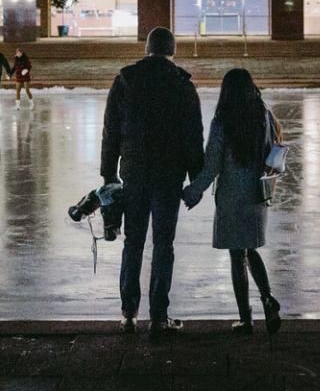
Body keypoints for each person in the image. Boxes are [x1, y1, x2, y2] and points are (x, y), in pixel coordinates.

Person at [101, 26, 203, 336]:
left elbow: (111, 132)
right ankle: (159, 316)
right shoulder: (182, 85)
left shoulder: (125, 80)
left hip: (133, 174)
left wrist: (109, 174)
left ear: (147, 50)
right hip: (168, 177)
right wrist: (196, 181)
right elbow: (193, 136)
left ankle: (129, 314)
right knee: (163, 244)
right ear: (173, 51)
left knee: (133, 243)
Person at [182, 68, 283, 335]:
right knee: (251, 248)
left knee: (237, 255)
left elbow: (212, 165)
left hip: (231, 196)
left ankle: (246, 319)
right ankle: (267, 298)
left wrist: (193, 191)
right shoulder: (265, 116)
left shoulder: (222, 122)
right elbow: (276, 152)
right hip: (258, 194)